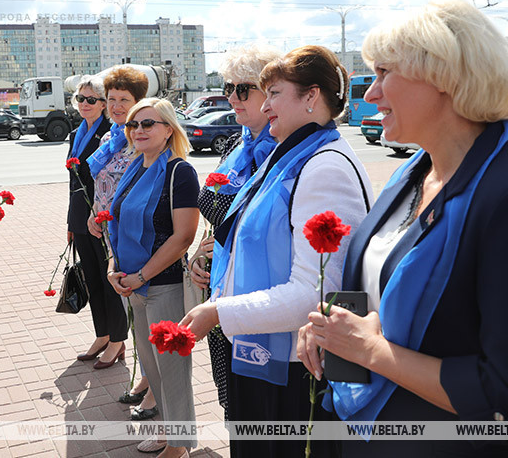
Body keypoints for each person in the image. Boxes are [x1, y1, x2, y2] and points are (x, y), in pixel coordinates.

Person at [297, 0, 508, 458]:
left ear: (445, 77)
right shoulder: (412, 172)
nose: (370, 94)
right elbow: (381, 284)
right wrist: (332, 328)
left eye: (384, 73)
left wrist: (371, 351)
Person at [181, 45, 372, 458]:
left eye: (274, 93)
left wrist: (218, 312)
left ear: (311, 96)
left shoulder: (324, 167)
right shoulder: (291, 156)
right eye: (262, 93)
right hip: (268, 356)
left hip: (292, 369)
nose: (265, 105)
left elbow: (317, 292)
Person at [187, 44, 281, 420]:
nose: (232, 98)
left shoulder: (284, 152)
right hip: (220, 285)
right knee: (229, 397)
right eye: (228, 88)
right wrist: (200, 251)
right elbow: (218, 218)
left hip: (255, 295)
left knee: (258, 403)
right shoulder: (233, 147)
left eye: (243, 89)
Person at [107, 98, 199, 458]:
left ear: (169, 129)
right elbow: (116, 225)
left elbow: (183, 236)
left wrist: (141, 274)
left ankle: (178, 447)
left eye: (148, 124)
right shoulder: (134, 168)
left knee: (173, 371)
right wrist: (114, 268)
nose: (139, 131)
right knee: (154, 370)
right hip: (133, 285)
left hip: (165, 285)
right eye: (133, 125)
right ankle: (166, 430)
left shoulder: (180, 172)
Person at [85, 66, 158, 417]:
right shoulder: (110, 138)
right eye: (111, 99)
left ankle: (154, 388)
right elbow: (102, 183)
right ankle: (145, 378)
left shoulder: (143, 138)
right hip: (109, 235)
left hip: (136, 237)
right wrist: (94, 213)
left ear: (139, 103)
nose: (115, 106)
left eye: (124, 100)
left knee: (146, 311)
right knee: (132, 312)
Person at [66, 76, 125, 369]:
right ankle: (102, 334)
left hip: (103, 218)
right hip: (81, 217)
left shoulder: (109, 132)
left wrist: (100, 215)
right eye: (81, 99)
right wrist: (70, 222)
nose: (84, 104)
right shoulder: (77, 132)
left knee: (107, 279)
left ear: (103, 105)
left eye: (91, 100)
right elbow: (72, 182)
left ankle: (118, 340)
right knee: (92, 279)